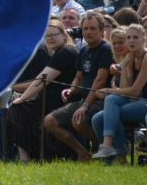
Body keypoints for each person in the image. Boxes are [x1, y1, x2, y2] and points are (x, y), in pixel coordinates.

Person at [92, 24, 147, 162]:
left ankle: (117, 153)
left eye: (135, 37)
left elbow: (134, 91)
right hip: (143, 101)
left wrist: (108, 90)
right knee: (98, 118)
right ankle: (109, 157)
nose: (131, 41)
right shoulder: (132, 58)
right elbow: (125, 89)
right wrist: (125, 64)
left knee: (111, 104)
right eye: (129, 38)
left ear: (143, 39)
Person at [44, 12, 113, 161]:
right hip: (85, 100)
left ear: (102, 31)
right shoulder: (84, 50)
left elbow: (100, 81)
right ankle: (83, 153)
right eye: (85, 28)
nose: (88, 32)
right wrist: (72, 89)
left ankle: (107, 151)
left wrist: (85, 105)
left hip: (103, 100)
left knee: (79, 121)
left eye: (92, 28)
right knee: (50, 121)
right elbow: (79, 78)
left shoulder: (105, 49)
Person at [7, 20, 78, 162]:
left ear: (64, 35)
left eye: (54, 35)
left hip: (58, 103)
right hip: (49, 101)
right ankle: (31, 155)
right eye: (47, 36)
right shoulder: (59, 52)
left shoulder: (66, 52)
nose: (50, 38)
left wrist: (21, 98)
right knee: (19, 108)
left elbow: (41, 79)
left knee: (17, 109)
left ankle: (26, 157)